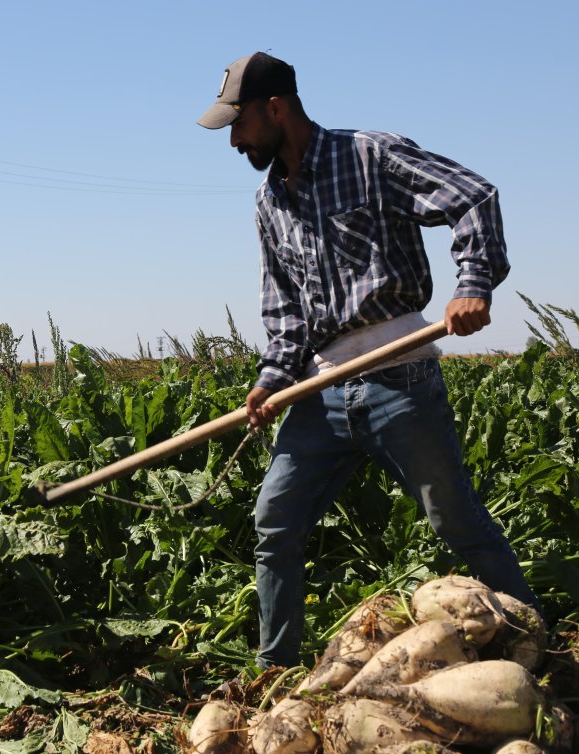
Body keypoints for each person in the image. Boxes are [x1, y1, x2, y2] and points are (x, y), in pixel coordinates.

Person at [197, 52, 539, 668]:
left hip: (399, 374)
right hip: (320, 389)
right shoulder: (268, 201)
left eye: (239, 123)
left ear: (274, 108)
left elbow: (473, 198)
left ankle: (535, 645)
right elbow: (285, 310)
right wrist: (273, 378)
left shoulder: (370, 156)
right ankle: (274, 675)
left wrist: (473, 284)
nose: (235, 139)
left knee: (455, 522)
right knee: (275, 521)